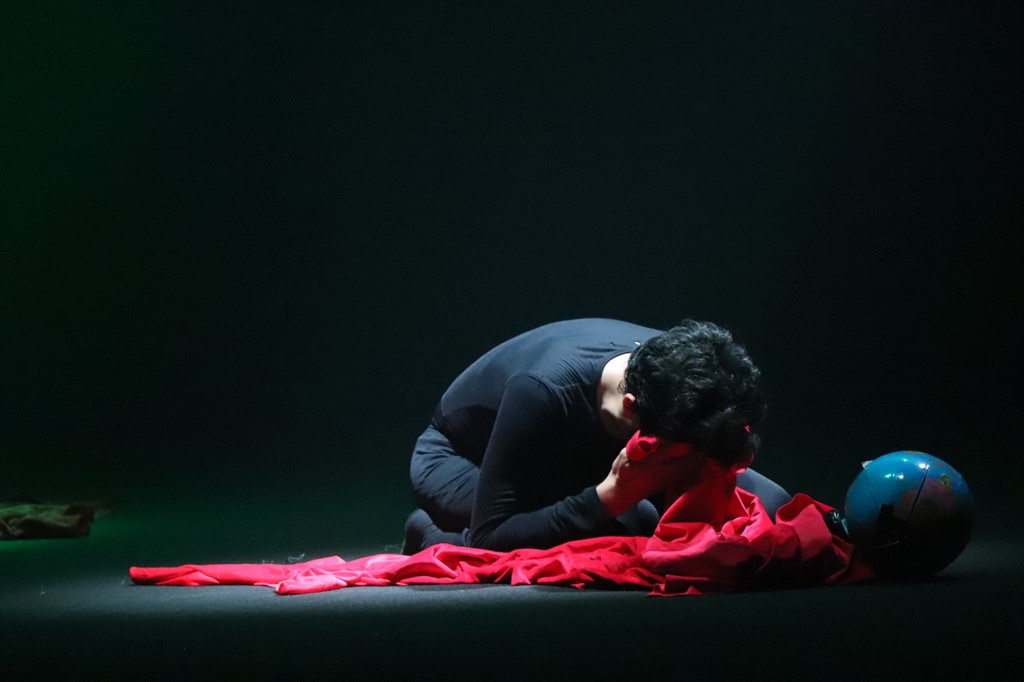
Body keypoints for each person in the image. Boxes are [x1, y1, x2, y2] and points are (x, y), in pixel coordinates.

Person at [402, 318, 791, 554]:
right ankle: (431, 534)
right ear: (631, 410)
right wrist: (609, 497)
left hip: (581, 458)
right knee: (615, 530)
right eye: (684, 455)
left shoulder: (679, 375)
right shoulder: (542, 390)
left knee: (775, 508)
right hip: (464, 458)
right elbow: (490, 536)